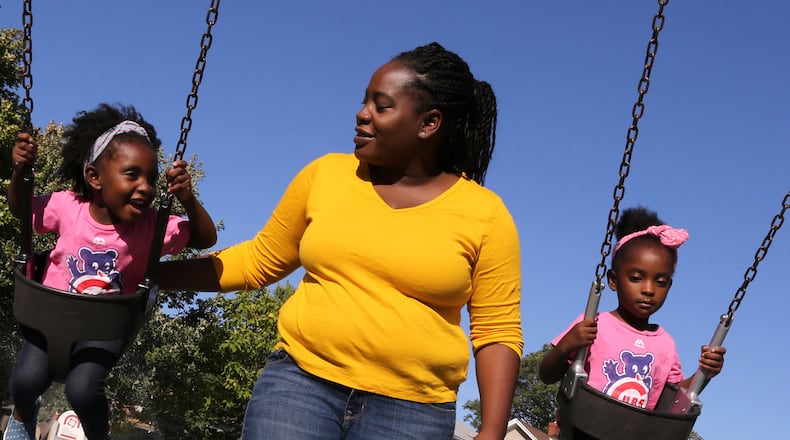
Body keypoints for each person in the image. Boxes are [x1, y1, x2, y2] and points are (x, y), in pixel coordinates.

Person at [158, 42, 523, 440]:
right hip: (300, 386)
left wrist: (491, 431)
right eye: (365, 101)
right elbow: (258, 261)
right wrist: (150, 273)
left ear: (428, 123)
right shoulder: (326, 175)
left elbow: (497, 331)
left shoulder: (485, 214)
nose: (361, 114)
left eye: (381, 106)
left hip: (413, 412)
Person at [4, 103, 217, 440]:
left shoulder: (152, 226)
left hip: (102, 331)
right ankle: (23, 416)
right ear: (95, 177)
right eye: (132, 174)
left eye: (152, 178)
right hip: (48, 319)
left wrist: (188, 200)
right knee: (25, 381)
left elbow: (205, 238)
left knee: (83, 389)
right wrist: (20, 172)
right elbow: (21, 208)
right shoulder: (67, 206)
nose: (146, 187)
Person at [539, 207, 726, 431]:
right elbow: (547, 375)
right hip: (583, 429)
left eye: (661, 282)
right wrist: (565, 346)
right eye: (637, 278)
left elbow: (676, 400)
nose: (648, 289)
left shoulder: (665, 344)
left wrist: (704, 373)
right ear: (613, 281)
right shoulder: (593, 324)